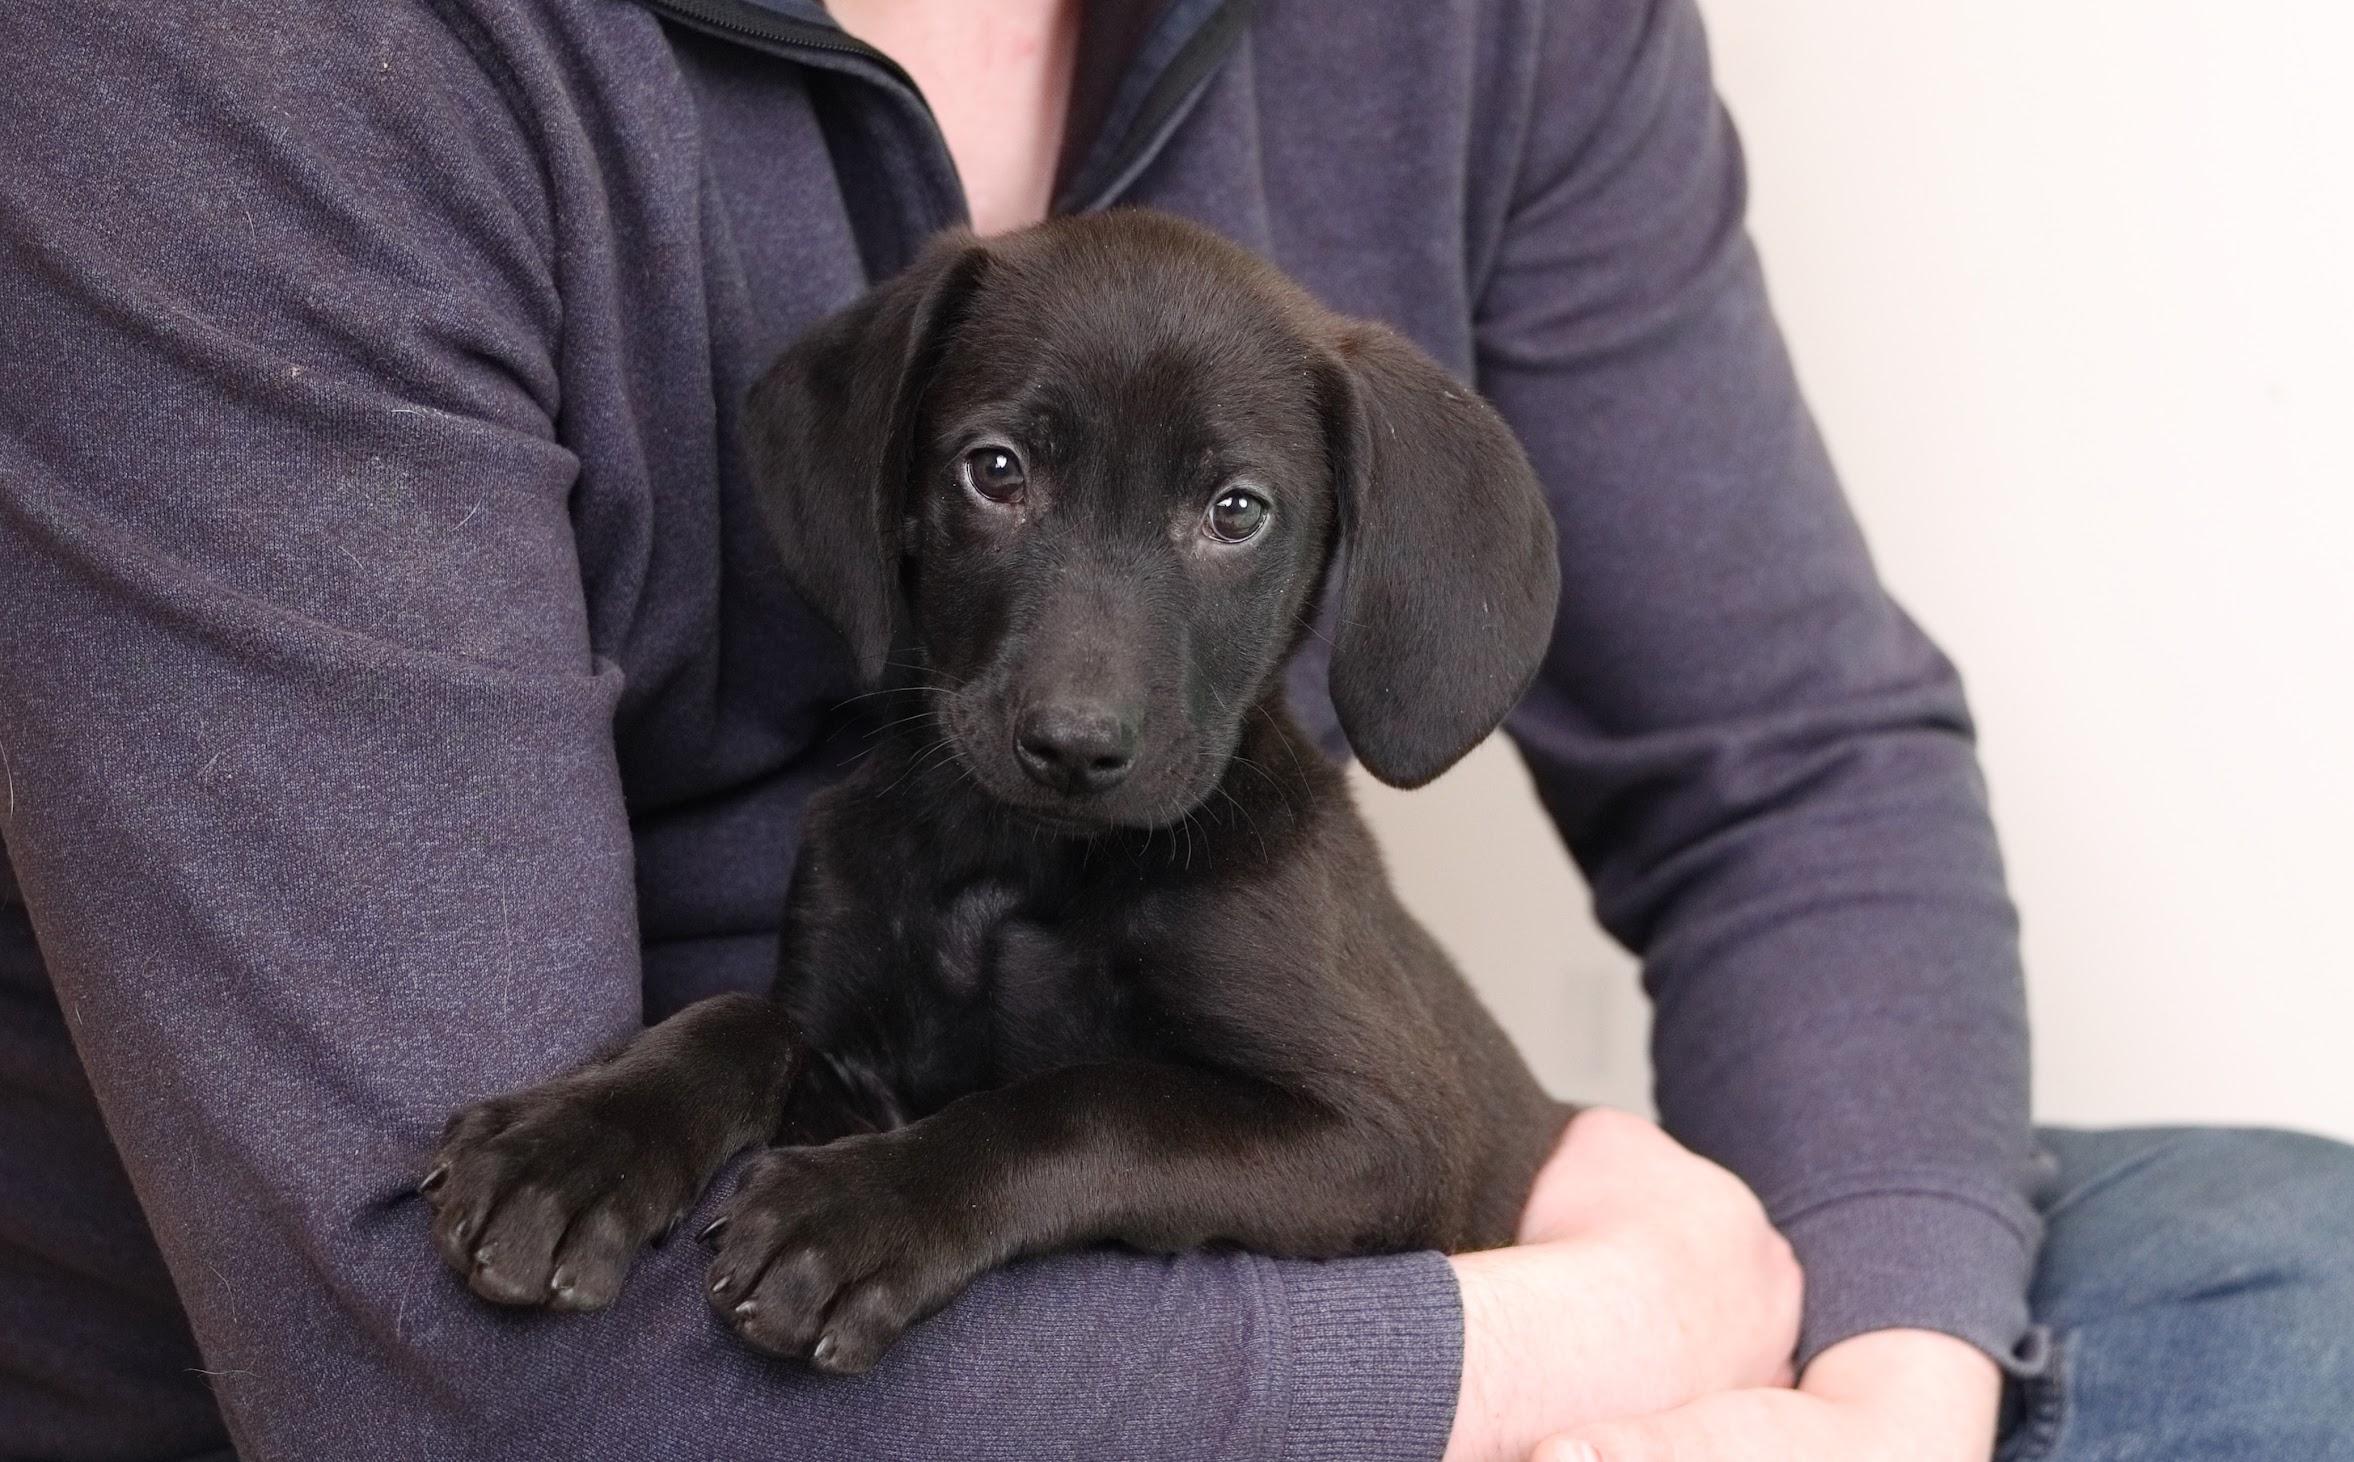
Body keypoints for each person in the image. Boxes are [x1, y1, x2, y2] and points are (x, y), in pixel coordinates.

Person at [1, 1, 2348, 1458]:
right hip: (706, 1373)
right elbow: (439, 1371)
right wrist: (1594, 1329)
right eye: (995, 478)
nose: (1088, 673)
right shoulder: (245, 68)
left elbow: (1802, 769)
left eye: (1227, 515)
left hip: (1346, 1263)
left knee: (2278, 1265)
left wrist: (1871, 1400)